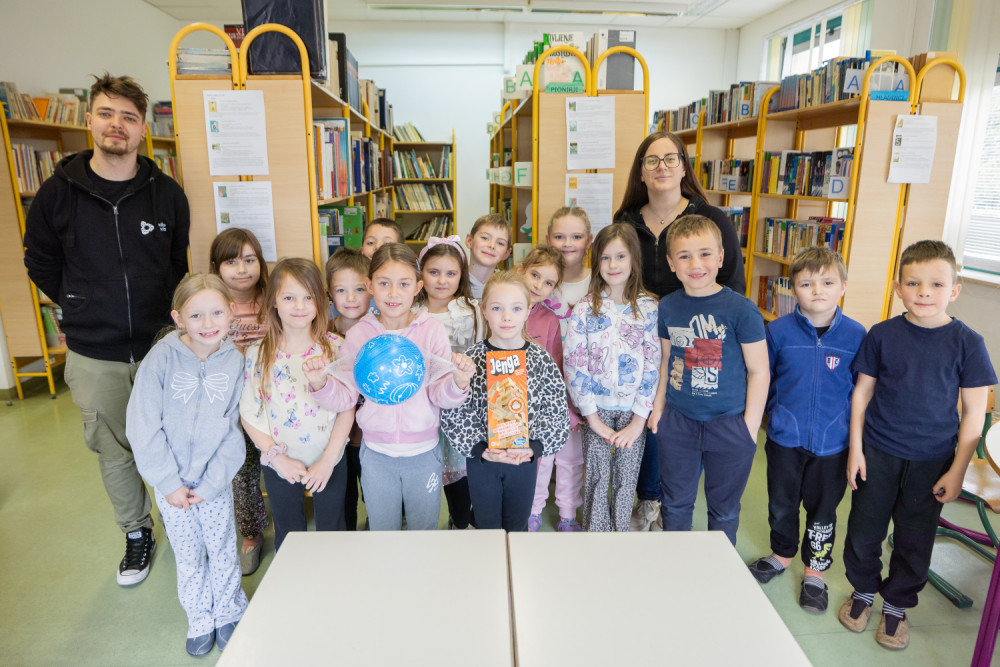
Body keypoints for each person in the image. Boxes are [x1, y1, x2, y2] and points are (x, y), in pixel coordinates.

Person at [23, 73, 190, 586]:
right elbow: (40, 262)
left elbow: (177, 264)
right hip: (95, 351)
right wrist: (80, 302)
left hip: (162, 344)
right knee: (114, 449)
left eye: (129, 117)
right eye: (107, 113)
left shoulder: (167, 194)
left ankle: (182, 523)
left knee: (175, 441)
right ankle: (137, 532)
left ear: (142, 130)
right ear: (90, 120)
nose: (117, 125)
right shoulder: (56, 194)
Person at [839, 240, 996, 650]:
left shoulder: (968, 342)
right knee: (864, 531)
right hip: (878, 453)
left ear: (954, 290)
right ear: (898, 288)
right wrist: (855, 449)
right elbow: (861, 394)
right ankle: (863, 590)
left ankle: (897, 604)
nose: (924, 292)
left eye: (936, 284)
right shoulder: (882, 334)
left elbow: (974, 414)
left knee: (915, 537)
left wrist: (958, 470)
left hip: (932, 460)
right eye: (913, 283)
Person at [614, 131, 746, 532]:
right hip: (640, 336)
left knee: (683, 415)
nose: (662, 167)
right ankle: (650, 498)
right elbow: (617, 276)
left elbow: (732, 283)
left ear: (684, 166)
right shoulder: (626, 221)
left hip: (697, 336)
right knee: (648, 416)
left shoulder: (712, 219)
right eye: (652, 160)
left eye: (671, 158)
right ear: (641, 171)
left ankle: (671, 500)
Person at [305, 243, 475, 530]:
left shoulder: (431, 331)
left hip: (424, 453)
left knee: (423, 528)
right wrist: (320, 383)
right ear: (370, 285)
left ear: (417, 287)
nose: (393, 293)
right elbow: (345, 397)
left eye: (403, 284)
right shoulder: (359, 335)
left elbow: (440, 394)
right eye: (384, 283)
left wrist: (458, 382)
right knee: (382, 530)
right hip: (376, 454)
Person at [125, 274, 246, 656]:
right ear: (178, 318)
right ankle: (200, 617)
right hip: (172, 486)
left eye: (217, 313)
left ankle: (229, 610)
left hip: (213, 483)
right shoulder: (161, 359)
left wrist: (211, 484)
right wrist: (168, 483)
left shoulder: (235, 361)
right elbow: (143, 425)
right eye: (196, 316)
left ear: (231, 312)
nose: (208, 324)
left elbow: (233, 430)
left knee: (222, 546)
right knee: (189, 553)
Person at [746, 247, 866, 614]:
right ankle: (782, 554)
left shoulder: (857, 335)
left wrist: (857, 444)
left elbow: (862, 392)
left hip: (833, 446)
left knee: (823, 511)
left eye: (828, 283)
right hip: (785, 440)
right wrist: (766, 420)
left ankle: (815, 570)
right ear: (792, 288)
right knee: (781, 504)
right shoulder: (776, 332)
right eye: (806, 283)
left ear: (843, 286)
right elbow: (762, 381)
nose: (817, 291)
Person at [648, 215, 768, 546]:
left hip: (729, 425)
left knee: (724, 511)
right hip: (678, 422)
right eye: (684, 256)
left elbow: (759, 371)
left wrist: (749, 428)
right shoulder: (668, 307)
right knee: (675, 505)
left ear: (720, 257)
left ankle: (720, 569)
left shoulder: (742, 310)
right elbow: (665, 361)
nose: (695, 264)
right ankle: (677, 565)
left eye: (704, 254)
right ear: (671, 263)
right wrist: (659, 409)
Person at [240, 259, 356, 551]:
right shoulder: (257, 353)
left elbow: (347, 407)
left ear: (320, 301)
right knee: (288, 533)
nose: (300, 306)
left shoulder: (336, 348)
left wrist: (328, 460)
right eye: (289, 297)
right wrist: (276, 458)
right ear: (273, 301)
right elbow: (249, 414)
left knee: (333, 531)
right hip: (279, 460)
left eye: (308, 297)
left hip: (330, 458)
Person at [441, 271, 571, 531]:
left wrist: (534, 447)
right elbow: (454, 413)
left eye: (516, 308)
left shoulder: (541, 360)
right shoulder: (471, 359)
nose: (507, 316)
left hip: (523, 461)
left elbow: (556, 413)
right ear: (484, 310)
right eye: (497, 308)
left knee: (517, 528)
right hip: (482, 461)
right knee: (486, 528)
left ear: (528, 310)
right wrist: (480, 448)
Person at [564, 224, 660, 532]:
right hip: (596, 409)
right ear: (596, 261)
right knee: (596, 477)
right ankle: (596, 536)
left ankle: (621, 536)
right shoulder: (584, 309)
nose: (613, 265)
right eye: (605, 258)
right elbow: (574, 364)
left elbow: (653, 364)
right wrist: (591, 417)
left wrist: (639, 419)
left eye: (620, 256)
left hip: (634, 411)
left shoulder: (648, 308)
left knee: (626, 480)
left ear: (634, 259)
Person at [209, 228, 270, 575]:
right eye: (231, 262)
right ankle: (250, 533)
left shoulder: (273, 298)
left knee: (278, 461)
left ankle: (289, 515)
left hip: (273, 400)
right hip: (231, 406)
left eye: (249, 260)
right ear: (217, 267)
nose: (242, 269)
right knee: (242, 470)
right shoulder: (211, 304)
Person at [414, 236, 484, 529]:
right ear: (420, 273)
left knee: (460, 466)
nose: (442, 280)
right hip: (422, 402)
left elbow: (480, 353)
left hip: (461, 403)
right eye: (434, 272)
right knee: (430, 466)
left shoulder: (472, 310)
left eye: (451, 273)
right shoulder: (411, 312)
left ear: (461, 276)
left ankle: (461, 519)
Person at [515, 246, 581, 531]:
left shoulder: (549, 319)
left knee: (567, 458)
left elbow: (557, 367)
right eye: (534, 275)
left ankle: (568, 514)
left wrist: (569, 409)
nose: (538, 285)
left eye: (548, 283)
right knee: (536, 463)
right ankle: (532, 511)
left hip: (546, 406)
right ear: (521, 270)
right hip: (512, 407)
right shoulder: (499, 308)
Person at [326, 247, 372, 531]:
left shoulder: (380, 332)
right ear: (330, 293)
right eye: (341, 290)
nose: (351, 298)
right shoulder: (323, 334)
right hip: (335, 438)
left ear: (372, 289)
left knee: (374, 496)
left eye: (359, 289)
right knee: (344, 501)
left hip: (371, 437)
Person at [465, 214, 513, 299]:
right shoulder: (452, 281)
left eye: (500, 243)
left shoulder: (509, 288)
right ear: (469, 241)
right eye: (485, 238)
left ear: (506, 254)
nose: (492, 245)